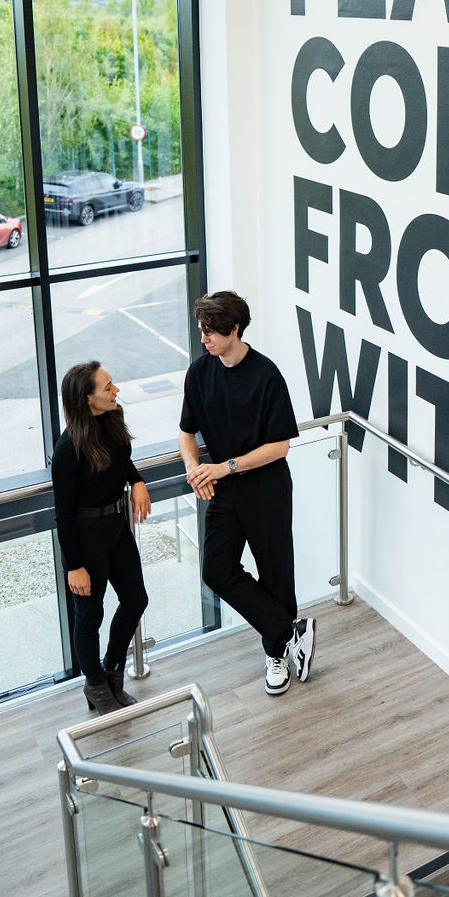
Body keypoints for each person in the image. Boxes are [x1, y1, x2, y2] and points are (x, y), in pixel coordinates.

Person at [178, 290, 314, 697]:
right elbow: (186, 431)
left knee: (276, 574)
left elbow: (280, 446)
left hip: (267, 488)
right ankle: (288, 632)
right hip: (223, 490)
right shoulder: (199, 373)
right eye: (202, 330)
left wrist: (223, 467)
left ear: (235, 329)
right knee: (216, 570)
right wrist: (194, 470)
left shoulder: (266, 375)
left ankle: (276, 655)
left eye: (212, 332)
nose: (204, 339)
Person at [52, 362, 151, 716]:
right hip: (86, 536)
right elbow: (62, 515)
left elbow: (122, 460)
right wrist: (74, 565)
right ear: (86, 399)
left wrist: (137, 481)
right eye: (108, 387)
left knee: (136, 599)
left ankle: (112, 671)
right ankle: (95, 684)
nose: (116, 391)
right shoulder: (68, 449)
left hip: (116, 526)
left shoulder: (112, 418)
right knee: (89, 617)